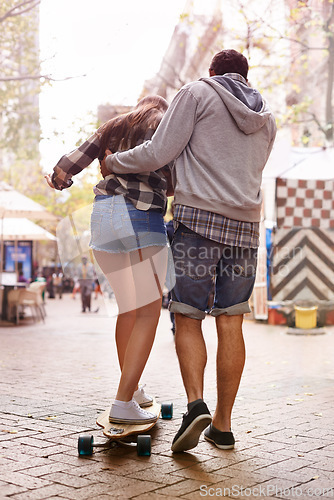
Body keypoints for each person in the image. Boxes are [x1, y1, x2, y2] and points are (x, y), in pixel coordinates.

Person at [100, 50, 277, 451]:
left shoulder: (197, 93)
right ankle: (223, 426)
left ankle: (195, 405)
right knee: (231, 321)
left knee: (188, 316)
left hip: (198, 224)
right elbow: (251, 169)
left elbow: (159, 151)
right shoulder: (268, 117)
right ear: (246, 77)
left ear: (212, 72)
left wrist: (115, 163)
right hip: (247, 230)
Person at [45, 95, 171, 425]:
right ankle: (123, 400)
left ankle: (131, 390)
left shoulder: (113, 125)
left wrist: (62, 179)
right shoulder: (165, 125)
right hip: (141, 216)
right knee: (149, 311)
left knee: (128, 309)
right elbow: (173, 179)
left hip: (102, 218)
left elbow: (65, 167)